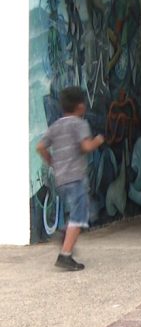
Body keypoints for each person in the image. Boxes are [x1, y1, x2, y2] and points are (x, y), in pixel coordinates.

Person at [36, 87, 105, 271]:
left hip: (61, 178)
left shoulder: (56, 125)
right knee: (79, 216)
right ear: (81, 106)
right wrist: (98, 140)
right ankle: (65, 255)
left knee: (79, 211)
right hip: (76, 177)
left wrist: (53, 163)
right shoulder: (80, 124)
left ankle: (66, 234)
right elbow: (86, 146)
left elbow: (40, 147)